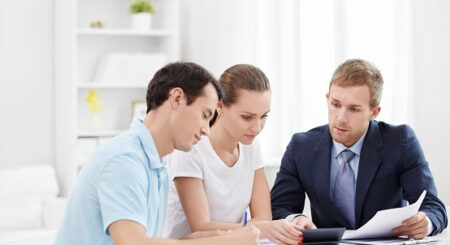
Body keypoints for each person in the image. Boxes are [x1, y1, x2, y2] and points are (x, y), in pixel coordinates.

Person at [55, 62, 261, 245]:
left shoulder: (156, 164)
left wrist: (208, 238)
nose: (206, 130)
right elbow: (132, 243)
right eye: (205, 116)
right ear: (177, 98)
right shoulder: (125, 160)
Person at [270, 59, 448, 239]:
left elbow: (433, 207)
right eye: (335, 104)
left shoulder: (400, 141)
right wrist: (295, 218)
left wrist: (426, 222)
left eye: (354, 109)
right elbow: (278, 207)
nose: (340, 118)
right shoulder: (301, 147)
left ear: (374, 112)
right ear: (327, 99)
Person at [163, 64, 305, 245]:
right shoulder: (191, 147)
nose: (257, 127)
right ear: (219, 106)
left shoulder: (251, 146)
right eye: (247, 117)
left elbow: (263, 217)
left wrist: (262, 229)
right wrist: (259, 229)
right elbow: (201, 226)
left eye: (264, 116)